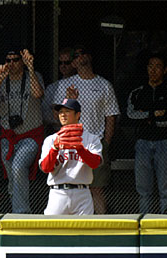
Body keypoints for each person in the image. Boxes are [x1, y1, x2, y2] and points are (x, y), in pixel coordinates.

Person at [53, 45, 120, 214]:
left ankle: (102, 227)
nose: (78, 57)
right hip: (72, 142)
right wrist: (69, 98)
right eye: (75, 56)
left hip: (96, 142)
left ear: (89, 56)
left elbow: (111, 116)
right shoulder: (65, 85)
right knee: (73, 188)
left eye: (81, 53)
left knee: (97, 188)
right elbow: (57, 115)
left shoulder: (104, 85)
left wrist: (106, 142)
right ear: (73, 63)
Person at [0, 49, 45, 213]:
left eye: (16, 60)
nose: (11, 64)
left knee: (18, 166)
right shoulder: (0, 80)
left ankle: (21, 212)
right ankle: (16, 208)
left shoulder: (33, 76)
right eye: (8, 60)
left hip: (30, 135)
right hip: (8, 137)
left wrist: (30, 68)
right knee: (13, 174)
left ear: (22, 61)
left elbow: (38, 93)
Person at [127, 53, 167, 214]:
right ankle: (144, 220)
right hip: (142, 143)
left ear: (165, 70)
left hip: (165, 142)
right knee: (143, 188)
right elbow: (131, 115)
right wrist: (155, 114)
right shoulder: (137, 92)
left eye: (158, 66)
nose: (153, 70)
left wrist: (146, 115)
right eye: (150, 66)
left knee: (166, 188)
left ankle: (165, 223)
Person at [39, 99, 103, 215]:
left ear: (78, 115)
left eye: (67, 111)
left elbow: (95, 163)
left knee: (84, 232)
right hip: (58, 193)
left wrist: (80, 148)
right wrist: (55, 149)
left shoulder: (92, 139)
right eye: (60, 112)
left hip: (82, 193)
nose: (63, 114)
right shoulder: (51, 140)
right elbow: (45, 168)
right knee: (52, 231)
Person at [42, 47, 77, 134]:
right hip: (57, 130)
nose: (63, 66)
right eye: (60, 63)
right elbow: (44, 112)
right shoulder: (52, 87)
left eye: (67, 63)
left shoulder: (82, 84)